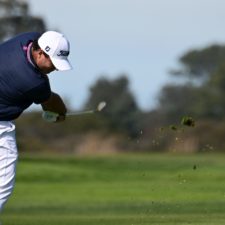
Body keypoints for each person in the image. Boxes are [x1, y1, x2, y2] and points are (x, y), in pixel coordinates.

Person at [0, 30, 72, 211]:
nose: (55, 68)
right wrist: (61, 113)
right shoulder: (32, 81)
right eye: (53, 62)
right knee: (3, 184)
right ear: (40, 53)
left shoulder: (28, 38)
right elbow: (52, 103)